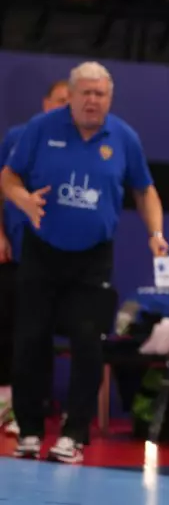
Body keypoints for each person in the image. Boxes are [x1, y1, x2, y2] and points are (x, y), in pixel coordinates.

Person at [0, 62, 169, 464]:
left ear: (109, 99)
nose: (93, 100)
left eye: (100, 94)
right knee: (30, 340)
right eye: (86, 93)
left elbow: (145, 190)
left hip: (93, 259)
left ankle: (73, 435)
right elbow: (8, 177)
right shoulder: (40, 129)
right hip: (41, 252)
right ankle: (29, 431)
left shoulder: (124, 137)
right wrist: (23, 200)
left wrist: (155, 233)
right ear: (72, 96)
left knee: (88, 342)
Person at [0, 80, 70, 438]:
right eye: (59, 100)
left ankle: (31, 407)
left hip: (54, 258)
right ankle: (5, 401)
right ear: (45, 102)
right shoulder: (18, 136)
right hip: (15, 253)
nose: (64, 107)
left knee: (39, 334)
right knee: (8, 327)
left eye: (70, 101)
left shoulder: (81, 144)